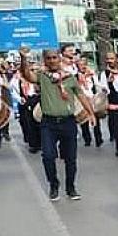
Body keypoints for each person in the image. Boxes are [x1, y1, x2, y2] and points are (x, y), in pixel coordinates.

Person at [19, 46, 95, 201]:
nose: (52, 60)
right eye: (49, 58)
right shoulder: (42, 76)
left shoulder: (70, 78)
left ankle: (71, 187)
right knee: (48, 155)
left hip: (68, 122)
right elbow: (27, 75)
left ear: (59, 58)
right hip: (49, 123)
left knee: (70, 158)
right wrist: (23, 58)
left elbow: (81, 96)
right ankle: (54, 185)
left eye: (54, 57)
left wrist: (91, 113)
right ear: (45, 60)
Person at [10, 57, 41, 153]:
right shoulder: (17, 77)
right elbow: (13, 91)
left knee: (40, 122)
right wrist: (20, 99)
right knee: (28, 123)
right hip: (25, 100)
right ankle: (33, 144)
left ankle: (42, 143)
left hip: (37, 99)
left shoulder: (37, 75)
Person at [76, 56, 103, 147]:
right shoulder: (76, 76)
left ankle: (98, 139)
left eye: (84, 64)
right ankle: (87, 139)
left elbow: (97, 84)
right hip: (82, 100)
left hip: (92, 99)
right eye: (81, 65)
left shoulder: (91, 75)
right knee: (83, 121)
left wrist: (102, 90)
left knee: (96, 119)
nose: (83, 66)